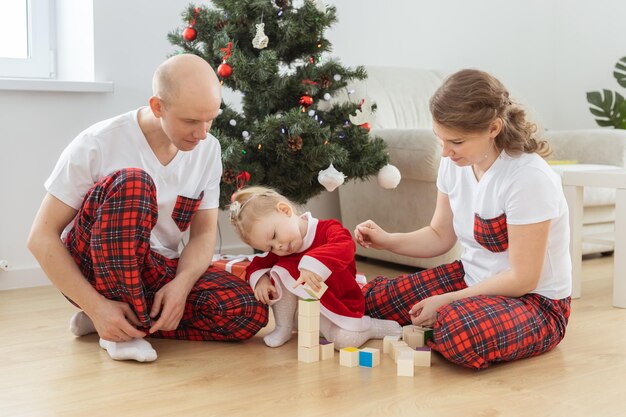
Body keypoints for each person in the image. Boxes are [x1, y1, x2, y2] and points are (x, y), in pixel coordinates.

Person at [27, 54, 268, 363]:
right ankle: (113, 326)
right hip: (92, 270)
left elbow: (203, 233)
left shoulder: (208, 149)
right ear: (158, 107)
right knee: (134, 184)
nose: (203, 132)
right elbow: (41, 237)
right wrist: (94, 304)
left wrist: (180, 287)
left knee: (248, 309)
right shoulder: (98, 143)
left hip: (155, 270)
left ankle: (119, 321)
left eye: (210, 119)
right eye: (191, 121)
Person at [354, 69, 572, 370]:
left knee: (456, 328)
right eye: (439, 139)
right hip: (470, 278)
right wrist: (387, 241)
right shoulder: (455, 164)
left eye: (455, 141)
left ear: (493, 128)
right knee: (370, 300)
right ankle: (442, 320)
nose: (445, 152)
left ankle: (446, 323)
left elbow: (523, 279)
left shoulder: (528, 178)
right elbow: (439, 235)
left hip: (535, 303)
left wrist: (448, 300)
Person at [229, 186, 401, 349]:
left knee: (344, 340)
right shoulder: (282, 248)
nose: (278, 247)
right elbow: (257, 264)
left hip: (338, 304)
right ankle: (284, 327)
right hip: (302, 316)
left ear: (285, 210)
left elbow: (346, 245)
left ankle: (370, 327)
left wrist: (313, 263)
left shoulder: (327, 229)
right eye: (270, 247)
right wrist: (261, 279)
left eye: (274, 236)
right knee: (278, 272)